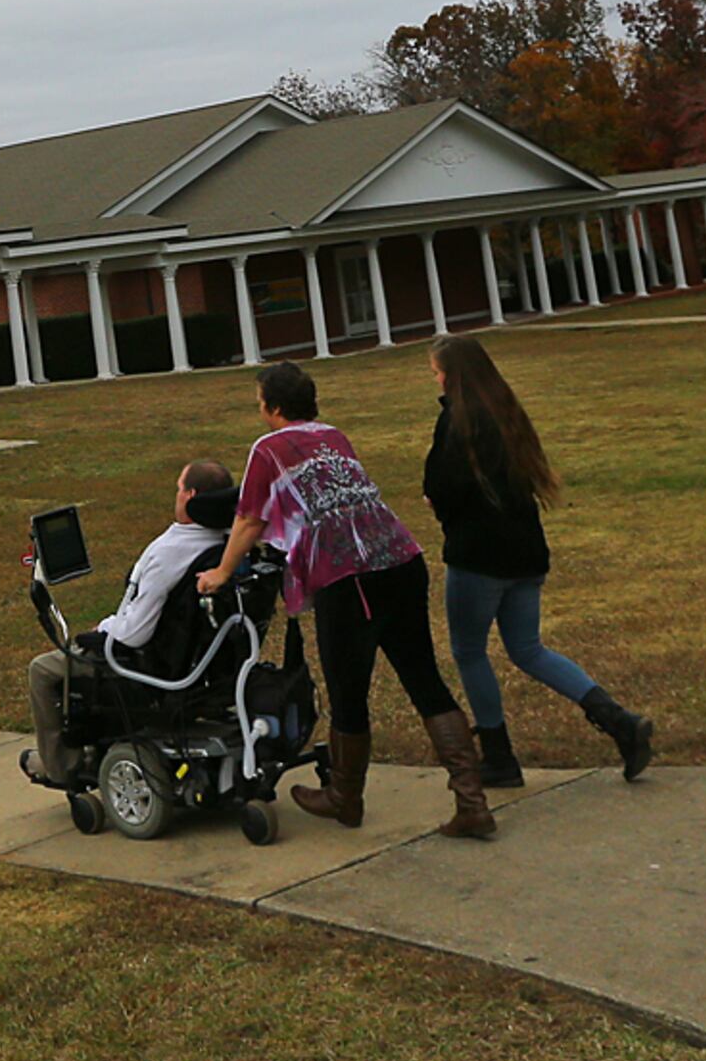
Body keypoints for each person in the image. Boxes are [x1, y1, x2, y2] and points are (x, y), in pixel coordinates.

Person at [195, 360, 498, 841]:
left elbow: (250, 518)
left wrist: (221, 572)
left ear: (273, 406)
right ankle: (472, 801)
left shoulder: (269, 448)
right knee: (424, 679)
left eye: (260, 401)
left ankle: (345, 796)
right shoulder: (334, 436)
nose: (259, 410)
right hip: (400, 559)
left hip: (349, 575)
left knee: (347, 690)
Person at [418, 333, 655, 787]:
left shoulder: (458, 421)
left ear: (453, 375)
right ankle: (619, 721)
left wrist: (439, 504)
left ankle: (499, 755)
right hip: (526, 553)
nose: (438, 380)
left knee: (469, 652)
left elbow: (445, 487)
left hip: (478, 557)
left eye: (436, 372)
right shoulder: (508, 413)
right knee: (528, 648)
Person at [23, 458, 235, 789]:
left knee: (42, 670)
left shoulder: (171, 553)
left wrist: (100, 632)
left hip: (145, 666)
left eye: (178, 488)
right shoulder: (228, 544)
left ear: (191, 495)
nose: (175, 494)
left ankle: (61, 766)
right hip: (203, 667)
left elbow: (134, 634)